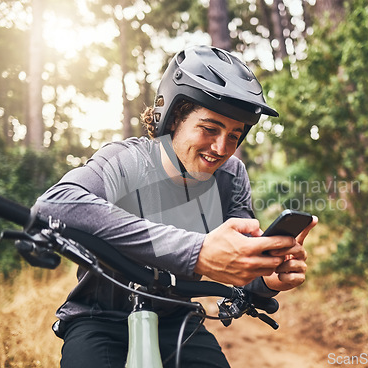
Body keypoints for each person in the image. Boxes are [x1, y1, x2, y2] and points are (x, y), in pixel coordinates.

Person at [33, 45, 318, 368]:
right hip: (100, 320)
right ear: (173, 118)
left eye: (234, 135)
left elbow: (240, 266)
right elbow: (55, 205)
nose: (222, 148)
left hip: (178, 321)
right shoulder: (127, 161)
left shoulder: (231, 175)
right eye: (209, 129)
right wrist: (196, 251)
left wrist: (267, 280)